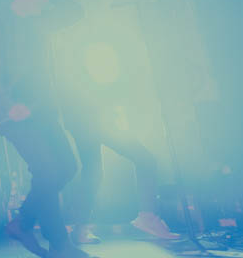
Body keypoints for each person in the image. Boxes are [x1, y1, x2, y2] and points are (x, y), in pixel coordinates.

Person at [0, 0, 102, 258]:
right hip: (13, 112)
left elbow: (75, 12)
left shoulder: (40, 21)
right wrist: (8, 105)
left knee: (67, 167)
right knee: (47, 171)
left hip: (42, 108)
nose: (46, 1)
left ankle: (23, 222)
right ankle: (60, 245)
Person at [60, 96, 180, 244]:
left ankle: (80, 229)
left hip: (80, 116)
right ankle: (147, 216)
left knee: (93, 171)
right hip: (91, 116)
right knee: (144, 158)